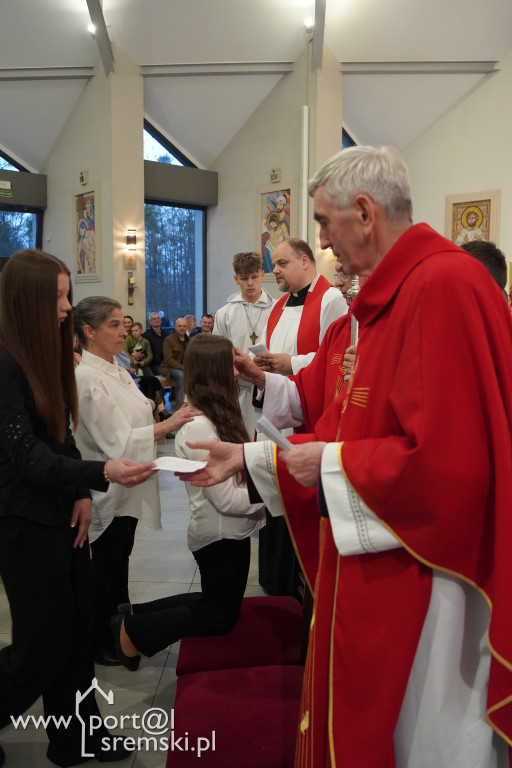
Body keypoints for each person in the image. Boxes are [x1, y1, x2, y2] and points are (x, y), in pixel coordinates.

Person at [177, 146, 512, 768]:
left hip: (431, 572)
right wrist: (254, 459)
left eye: (326, 225)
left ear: (364, 212)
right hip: (385, 548)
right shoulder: (394, 295)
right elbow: (344, 421)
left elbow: (452, 463)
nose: (324, 244)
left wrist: (323, 465)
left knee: (426, 735)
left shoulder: (444, 285)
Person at [0, 249, 157, 767]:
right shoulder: (3, 361)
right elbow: (27, 456)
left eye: (68, 295)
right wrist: (100, 473)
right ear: (27, 301)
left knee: (73, 635)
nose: (67, 307)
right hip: (23, 520)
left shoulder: (42, 354)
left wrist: (82, 494)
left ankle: (75, 738)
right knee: (42, 643)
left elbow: (61, 439)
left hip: (61, 512)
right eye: (59, 297)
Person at [109, 334, 265, 669]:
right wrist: (271, 494)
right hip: (219, 533)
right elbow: (224, 499)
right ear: (213, 371)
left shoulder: (217, 411)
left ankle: (135, 614)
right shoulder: (199, 427)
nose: (236, 374)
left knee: (218, 603)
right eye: (230, 367)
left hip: (228, 531)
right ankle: (133, 631)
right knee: (219, 617)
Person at [73, 297, 199, 667]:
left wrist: (157, 416)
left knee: (120, 562)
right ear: (89, 332)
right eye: (114, 325)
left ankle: (119, 631)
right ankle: (96, 640)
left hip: (130, 480)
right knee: (105, 568)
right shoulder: (86, 378)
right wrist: (168, 425)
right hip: (107, 484)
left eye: (122, 324)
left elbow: (138, 411)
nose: (124, 331)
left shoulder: (115, 367)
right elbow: (115, 440)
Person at [254, 236, 346, 595]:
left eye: (281, 263)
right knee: (273, 489)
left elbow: (333, 359)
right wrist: (259, 362)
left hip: (306, 410)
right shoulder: (277, 306)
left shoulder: (331, 299)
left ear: (306, 262)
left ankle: (297, 582)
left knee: (294, 492)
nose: (273, 270)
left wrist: (289, 363)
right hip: (278, 403)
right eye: (273, 264)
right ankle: (274, 580)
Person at [213, 251, 275, 437]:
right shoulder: (224, 313)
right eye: (244, 278)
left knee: (266, 438)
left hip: (269, 384)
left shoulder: (277, 308)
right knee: (240, 438)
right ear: (235, 279)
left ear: (263, 275)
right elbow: (217, 353)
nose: (250, 283)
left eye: (254, 277)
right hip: (237, 387)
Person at [161, 317, 189, 405]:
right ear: (175, 327)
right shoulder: (169, 340)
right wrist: (183, 368)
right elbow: (169, 360)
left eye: (184, 326)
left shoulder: (190, 340)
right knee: (181, 375)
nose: (182, 328)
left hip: (185, 367)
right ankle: (180, 405)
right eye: (180, 326)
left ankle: (195, 403)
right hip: (170, 368)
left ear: (187, 327)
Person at [142, 311, 168, 376]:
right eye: (154, 319)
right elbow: (147, 353)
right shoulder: (146, 336)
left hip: (167, 363)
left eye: (158, 318)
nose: (156, 320)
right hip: (154, 365)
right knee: (168, 372)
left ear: (161, 321)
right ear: (150, 322)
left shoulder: (166, 334)